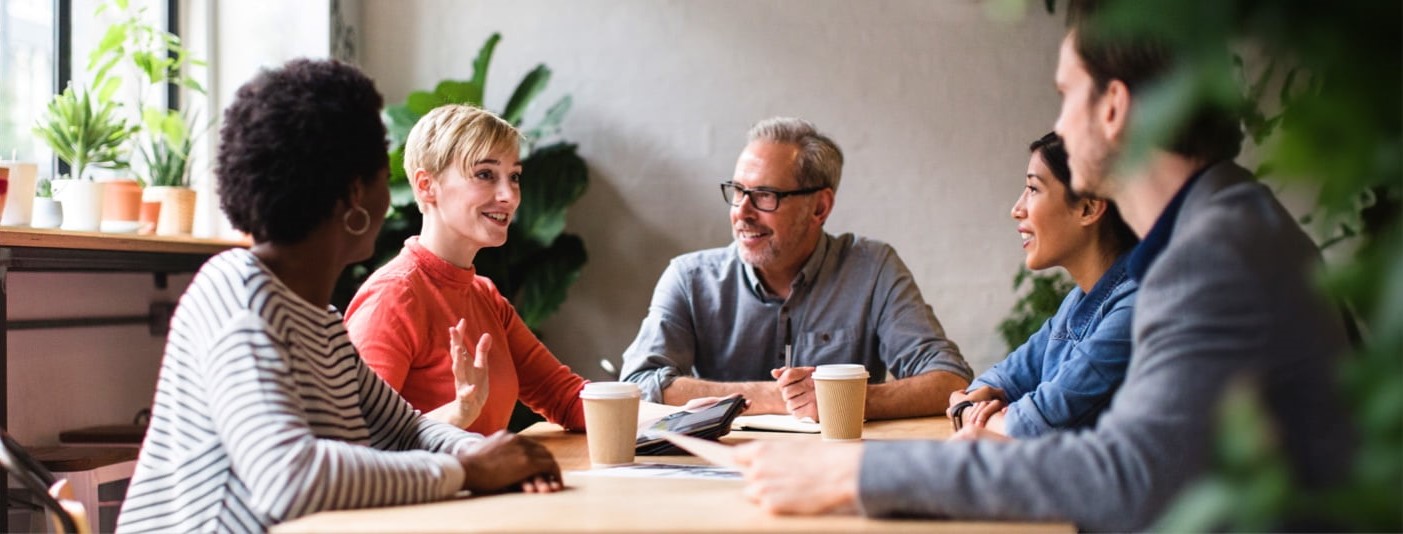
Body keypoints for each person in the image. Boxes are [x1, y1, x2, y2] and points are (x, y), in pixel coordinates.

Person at [732, 1, 1354, 530]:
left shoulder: (1210, 254)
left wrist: (857, 471)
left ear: (1112, 107)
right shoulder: (1220, 222)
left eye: (1064, 96)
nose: (1058, 123)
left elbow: (1125, 473)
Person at [117, 60, 561, 533]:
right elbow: (288, 477)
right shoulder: (239, 298)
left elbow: (405, 427)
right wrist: (469, 470)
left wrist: (485, 451)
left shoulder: (319, 319)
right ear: (355, 193)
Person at [619, 117, 972, 421]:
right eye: (738, 191)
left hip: (838, 472)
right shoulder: (690, 279)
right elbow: (636, 385)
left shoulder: (872, 269)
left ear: (819, 207)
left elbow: (950, 381)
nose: (742, 212)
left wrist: (842, 399)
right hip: (723, 470)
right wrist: (775, 397)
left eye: (765, 195)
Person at [345, 104, 587, 434]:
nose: (509, 196)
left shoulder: (485, 296)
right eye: (485, 174)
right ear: (426, 185)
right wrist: (457, 414)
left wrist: (675, 419)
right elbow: (356, 439)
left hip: (487, 485)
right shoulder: (394, 295)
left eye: (514, 177)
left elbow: (566, 398)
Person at [948, 132, 1138, 439]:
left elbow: (1030, 426)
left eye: (1033, 189)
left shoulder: (1134, 309)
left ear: (1088, 208)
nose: (1016, 209)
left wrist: (970, 412)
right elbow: (988, 384)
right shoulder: (1078, 302)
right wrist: (977, 405)